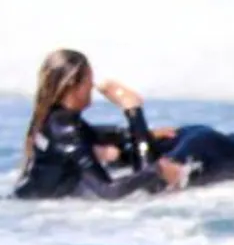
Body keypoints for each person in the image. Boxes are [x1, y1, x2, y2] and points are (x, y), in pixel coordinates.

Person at [13, 49, 188, 200]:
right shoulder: (67, 129)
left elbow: (94, 134)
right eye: (88, 80)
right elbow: (109, 191)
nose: (92, 86)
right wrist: (157, 170)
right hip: (39, 210)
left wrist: (147, 133)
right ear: (73, 85)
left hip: (28, 204)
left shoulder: (52, 119)